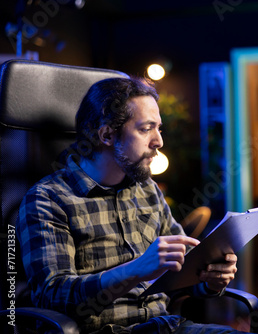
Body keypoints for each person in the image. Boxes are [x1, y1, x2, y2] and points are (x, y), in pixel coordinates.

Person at [16, 77, 244, 333]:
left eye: (159, 128)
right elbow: (52, 298)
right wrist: (136, 270)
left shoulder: (148, 190)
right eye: (146, 129)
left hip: (165, 326)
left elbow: (181, 276)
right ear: (107, 134)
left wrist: (210, 279)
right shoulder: (48, 199)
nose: (159, 141)